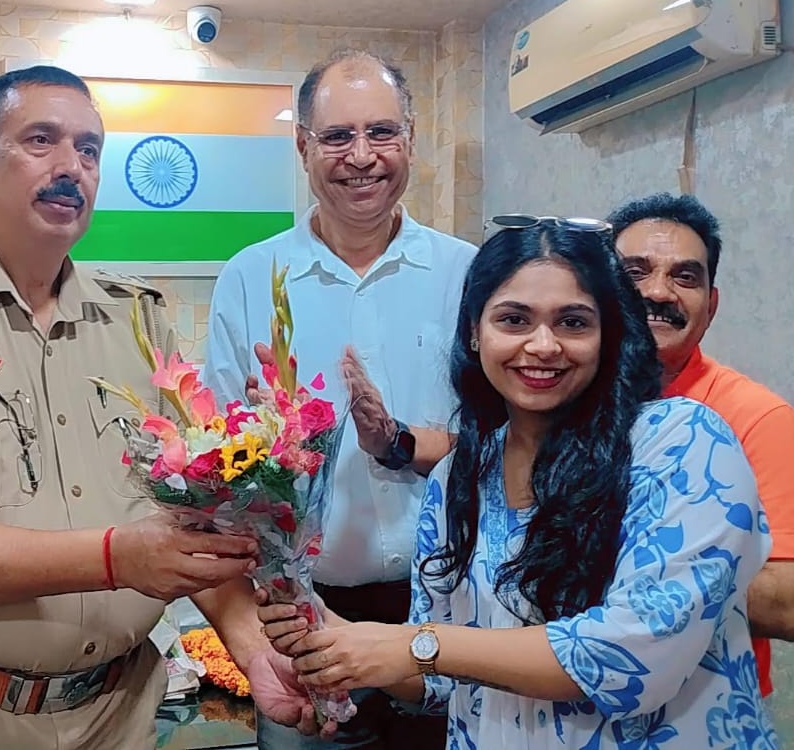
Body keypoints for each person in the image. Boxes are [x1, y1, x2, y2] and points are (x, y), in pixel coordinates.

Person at [0, 65, 271, 750]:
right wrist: (117, 558)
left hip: (128, 711)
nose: (72, 168)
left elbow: (188, 520)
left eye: (89, 150)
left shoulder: (138, 317)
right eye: (41, 141)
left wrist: (249, 643)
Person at [259, 216, 777, 748]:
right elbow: (439, 682)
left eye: (574, 322)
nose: (544, 345)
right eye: (514, 320)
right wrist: (333, 635)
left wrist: (415, 644)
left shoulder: (681, 442)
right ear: (473, 332)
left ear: (608, 336)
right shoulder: (457, 479)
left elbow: (634, 657)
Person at [196, 48, 473, 748]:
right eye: (337, 136)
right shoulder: (251, 278)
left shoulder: (467, 273)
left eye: (381, 133)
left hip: (448, 611)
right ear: (303, 146)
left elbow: (507, 443)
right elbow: (219, 470)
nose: (362, 157)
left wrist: (401, 442)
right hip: (302, 614)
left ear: (410, 138)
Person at [610, 192, 794, 696]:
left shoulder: (757, 417)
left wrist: (612, 567)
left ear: (710, 306)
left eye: (685, 277)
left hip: (704, 712)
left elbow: (786, 601)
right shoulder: (564, 400)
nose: (660, 292)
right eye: (635, 273)